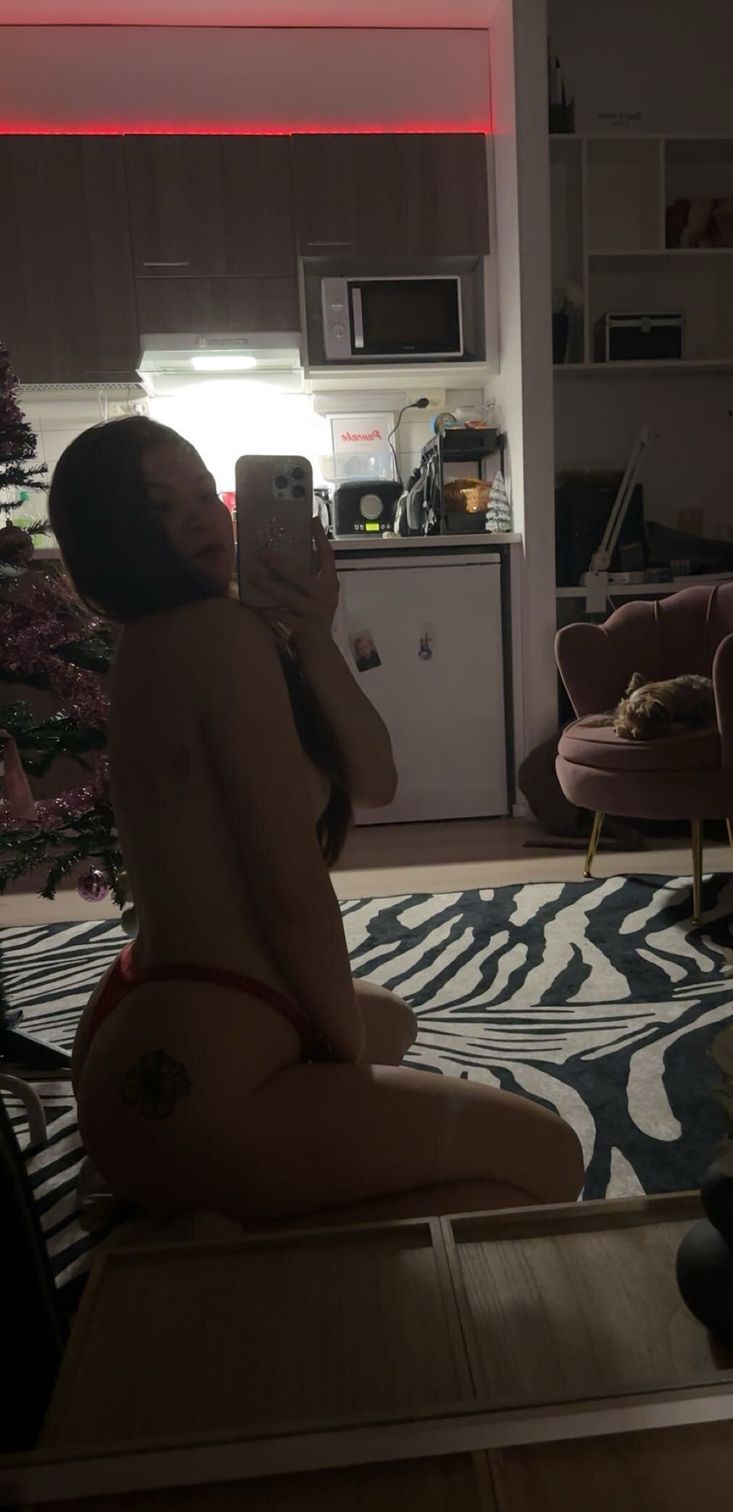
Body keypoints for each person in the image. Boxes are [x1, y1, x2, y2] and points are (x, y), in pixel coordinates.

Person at [51, 418, 583, 1227]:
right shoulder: (216, 636)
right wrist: (339, 1058)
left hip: (158, 1029)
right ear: (115, 536)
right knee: (547, 1159)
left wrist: (312, 630)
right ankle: (220, 1253)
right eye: (161, 506)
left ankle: (219, 1211)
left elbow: (375, 781)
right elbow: (288, 891)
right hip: (194, 1081)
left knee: (393, 1020)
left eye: (205, 493)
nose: (202, 519)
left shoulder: (173, 635)